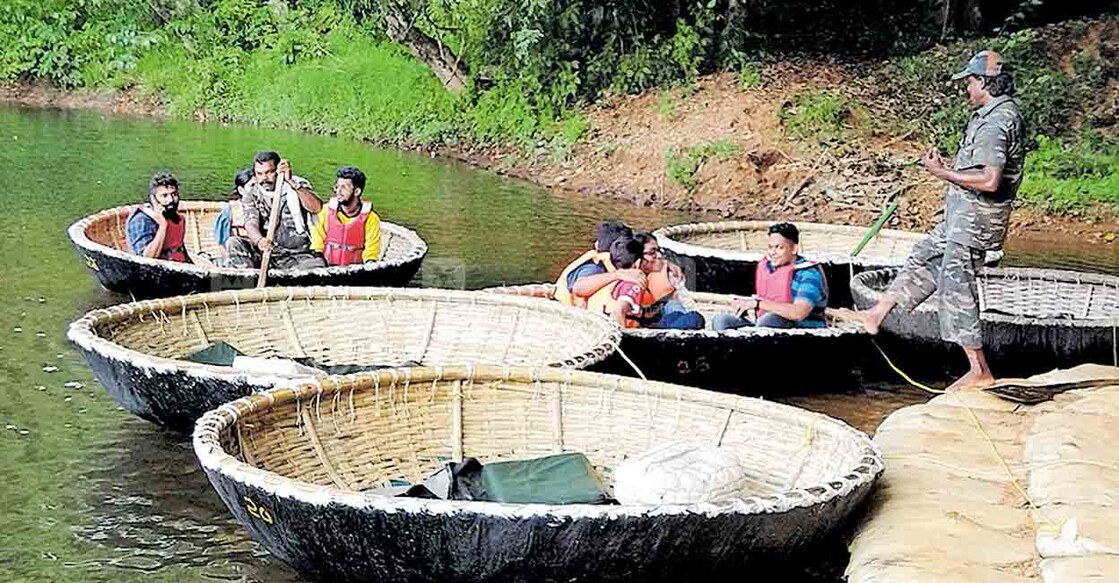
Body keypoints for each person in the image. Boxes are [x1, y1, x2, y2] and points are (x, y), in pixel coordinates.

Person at [845, 50, 1025, 391]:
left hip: (976, 225)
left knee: (957, 287)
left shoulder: (998, 121)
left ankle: (979, 369)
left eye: (970, 82)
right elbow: (977, 171)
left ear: (984, 82)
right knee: (923, 254)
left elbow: (990, 180)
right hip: (960, 219)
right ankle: (876, 314)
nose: (967, 89)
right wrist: (950, 169)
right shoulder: (987, 115)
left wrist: (942, 172)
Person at [711, 222, 827, 330]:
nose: (772, 253)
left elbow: (798, 312)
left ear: (794, 249)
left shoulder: (809, 275)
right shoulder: (770, 267)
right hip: (762, 325)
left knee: (770, 320)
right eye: (770, 247)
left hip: (799, 328)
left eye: (779, 247)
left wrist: (757, 303)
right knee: (721, 321)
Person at [224, 151, 326, 270]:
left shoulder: (297, 184)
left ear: (278, 171)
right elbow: (251, 223)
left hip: (298, 255)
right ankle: (248, 281)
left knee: (317, 265)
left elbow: (316, 208)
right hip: (266, 253)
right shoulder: (251, 191)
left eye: (269, 172)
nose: (264, 178)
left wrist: (293, 183)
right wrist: (260, 241)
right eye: (260, 174)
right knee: (234, 243)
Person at [553, 220, 644, 307]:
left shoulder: (603, 262)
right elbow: (578, 287)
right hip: (565, 307)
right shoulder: (594, 267)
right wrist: (617, 274)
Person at [310, 166, 382, 265]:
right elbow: (317, 246)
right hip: (325, 266)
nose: (338, 191)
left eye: (344, 187)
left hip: (356, 271)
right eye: (337, 187)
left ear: (357, 191)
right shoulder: (325, 212)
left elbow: (371, 253)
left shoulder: (371, 219)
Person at [631, 232, 705, 329]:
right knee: (694, 319)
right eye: (652, 252)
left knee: (677, 309)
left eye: (658, 250)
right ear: (638, 257)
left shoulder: (666, 271)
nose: (659, 255)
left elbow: (687, 302)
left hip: (655, 318)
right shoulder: (630, 280)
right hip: (642, 329)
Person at [125, 171, 191, 263]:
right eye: (164, 196)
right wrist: (163, 226)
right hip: (156, 271)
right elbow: (146, 260)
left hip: (180, 266)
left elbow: (179, 247)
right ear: (153, 199)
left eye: (174, 194)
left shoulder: (176, 218)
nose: (171, 200)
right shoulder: (141, 220)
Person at [585, 237, 649, 328]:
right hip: (613, 332)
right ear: (638, 263)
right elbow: (618, 311)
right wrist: (622, 338)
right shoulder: (634, 284)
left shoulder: (609, 279)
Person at [213, 168, 252, 248]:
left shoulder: (264, 206)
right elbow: (222, 241)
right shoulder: (230, 210)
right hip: (238, 252)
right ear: (241, 190)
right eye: (252, 186)